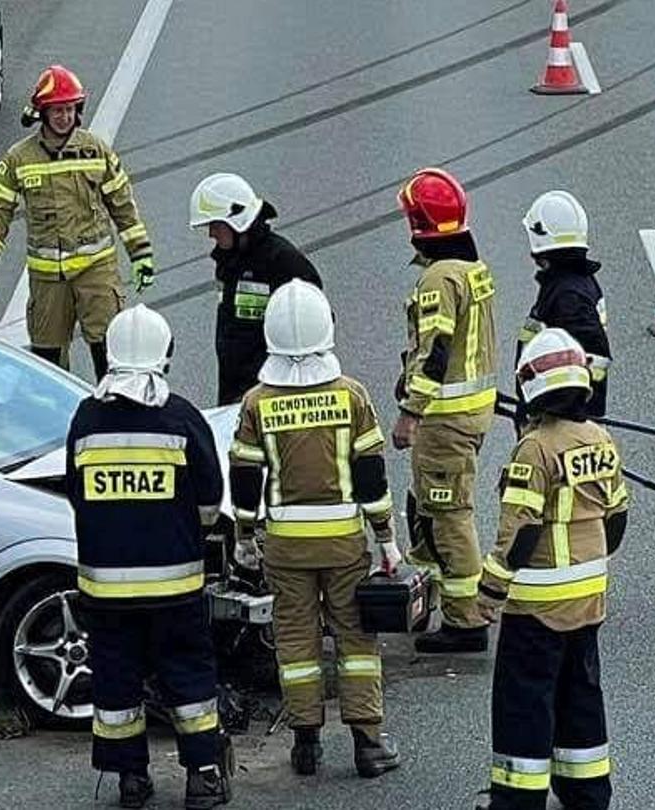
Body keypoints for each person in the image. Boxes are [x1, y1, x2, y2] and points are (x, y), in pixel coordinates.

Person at [228, 280, 402, 779]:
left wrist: (244, 537)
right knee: (356, 640)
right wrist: (387, 539)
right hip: (344, 544)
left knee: (296, 641)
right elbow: (371, 478)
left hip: (285, 547)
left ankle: (306, 744)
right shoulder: (351, 396)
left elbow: (245, 478)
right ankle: (368, 744)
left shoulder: (257, 402)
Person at [64, 305, 230, 808]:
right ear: (164, 356)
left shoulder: (86, 418)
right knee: (188, 677)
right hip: (175, 590)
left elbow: (76, 494)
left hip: (106, 592)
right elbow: (210, 499)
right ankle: (203, 776)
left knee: (116, 682)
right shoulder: (181, 418)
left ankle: (130, 779)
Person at [478, 328, 627, 810]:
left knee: (525, 704)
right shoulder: (600, 438)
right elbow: (617, 516)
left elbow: (519, 533)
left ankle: (518, 801)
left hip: (537, 608)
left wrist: (490, 592)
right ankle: (587, 794)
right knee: (580, 696)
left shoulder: (535, 449)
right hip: (588, 599)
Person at [0, 65, 155, 379]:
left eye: (70, 109)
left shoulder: (96, 151)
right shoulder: (18, 158)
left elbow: (123, 205)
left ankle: (111, 406)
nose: (65, 116)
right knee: (48, 364)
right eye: (58, 110)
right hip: (48, 281)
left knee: (109, 355)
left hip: (96, 273)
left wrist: (141, 254)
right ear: (43, 112)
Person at [392, 167, 499, 654]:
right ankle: (436, 601)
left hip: (444, 418)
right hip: (468, 414)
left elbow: (435, 351)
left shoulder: (439, 278)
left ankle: (465, 620)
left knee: (449, 514)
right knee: (432, 507)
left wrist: (410, 412)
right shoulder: (471, 269)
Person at [189, 173, 323, 406]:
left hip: (276, 392)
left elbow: (315, 326)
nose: (211, 233)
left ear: (236, 221)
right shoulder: (229, 263)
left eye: (215, 225)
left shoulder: (283, 261)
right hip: (235, 388)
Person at [513, 190, 611, 426]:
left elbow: (594, 356)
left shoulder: (568, 295)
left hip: (557, 416)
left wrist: (557, 409)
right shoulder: (571, 282)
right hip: (556, 407)